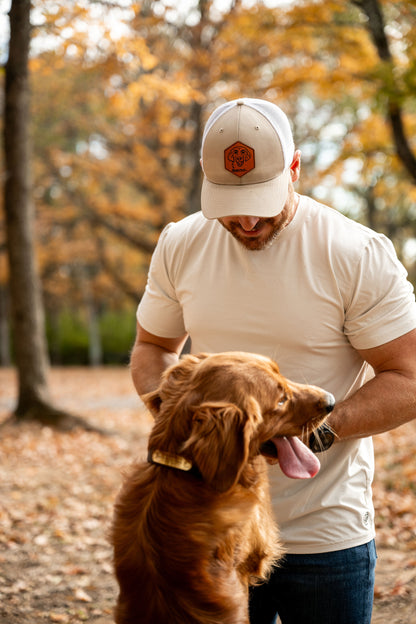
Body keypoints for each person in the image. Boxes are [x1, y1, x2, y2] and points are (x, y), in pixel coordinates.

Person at [129, 97, 416, 624]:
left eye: (262, 198)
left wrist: (318, 432)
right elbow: (152, 349)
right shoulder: (180, 243)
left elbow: (410, 377)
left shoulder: (356, 252)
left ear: (295, 169)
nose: (245, 220)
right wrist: (179, 422)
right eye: (229, 202)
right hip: (209, 527)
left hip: (327, 533)